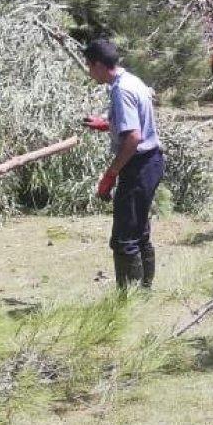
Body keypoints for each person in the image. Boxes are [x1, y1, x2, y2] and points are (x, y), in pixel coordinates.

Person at [83, 39, 164, 290]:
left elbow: (134, 137)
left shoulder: (121, 90)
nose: (88, 72)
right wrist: (107, 124)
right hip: (150, 162)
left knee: (124, 237)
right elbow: (133, 124)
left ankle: (129, 300)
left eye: (89, 66)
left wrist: (111, 174)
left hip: (139, 165)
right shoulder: (131, 80)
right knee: (139, 230)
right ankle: (144, 291)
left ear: (97, 65)